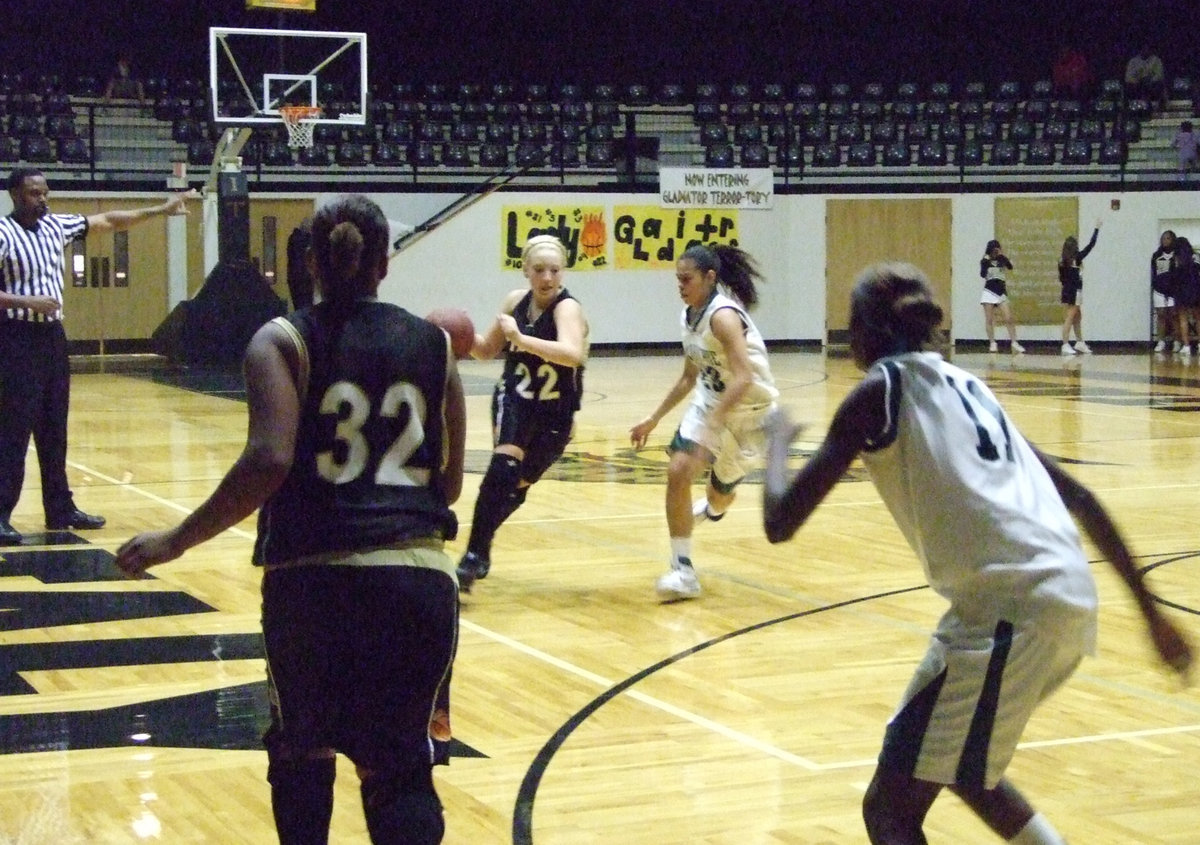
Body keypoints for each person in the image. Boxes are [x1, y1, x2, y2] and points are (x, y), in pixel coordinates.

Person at [761, 262, 1194, 845]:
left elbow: (780, 521)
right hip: (1063, 594)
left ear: (866, 329)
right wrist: (1151, 615)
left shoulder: (879, 392)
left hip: (1009, 606)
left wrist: (777, 444)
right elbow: (1082, 498)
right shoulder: (974, 389)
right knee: (963, 765)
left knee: (889, 810)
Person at [116, 194, 466, 844]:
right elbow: (446, 485)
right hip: (419, 582)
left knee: (303, 754)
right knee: (400, 770)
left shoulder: (281, 340)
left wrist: (175, 538)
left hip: (314, 584)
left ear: (310, 260)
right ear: (385, 264)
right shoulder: (435, 345)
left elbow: (269, 458)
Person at [0, 167, 191, 546]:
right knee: (13, 431)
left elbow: (107, 220)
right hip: (15, 338)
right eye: (33, 194)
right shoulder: (3, 234)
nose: (42, 199)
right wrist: (27, 301)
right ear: (15, 196)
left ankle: (60, 508)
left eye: (45, 192)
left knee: (55, 428)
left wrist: (160, 210)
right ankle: (2, 514)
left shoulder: (56, 226)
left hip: (52, 338)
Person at [629, 243, 779, 601]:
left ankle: (711, 510)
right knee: (678, 471)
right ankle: (682, 571)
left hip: (751, 414)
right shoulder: (689, 317)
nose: (680, 286)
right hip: (712, 405)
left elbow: (743, 378)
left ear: (709, 278)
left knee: (720, 496)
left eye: (687, 279)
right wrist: (654, 418)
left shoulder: (723, 317)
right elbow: (688, 378)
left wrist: (716, 421)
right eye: (677, 280)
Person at [455, 234, 588, 592]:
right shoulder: (516, 301)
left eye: (555, 271)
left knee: (516, 486)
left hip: (556, 414)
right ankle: (473, 555)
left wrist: (523, 338)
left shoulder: (566, 308)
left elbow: (571, 353)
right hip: (515, 398)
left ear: (563, 273)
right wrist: (460, 335)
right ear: (525, 271)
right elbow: (485, 351)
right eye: (540, 270)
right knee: (503, 467)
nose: (548, 278)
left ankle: (480, 545)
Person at [1058, 220, 1100, 355]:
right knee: (1070, 317)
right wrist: (1096, 229)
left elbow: (1061, 278)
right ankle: (1065, 344)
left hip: (1067, 290)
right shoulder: (1077, 258)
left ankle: (1080, 342)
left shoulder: (1062, 261)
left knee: (1077, 316)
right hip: (1075, 291)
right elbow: (1091, 245)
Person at [980, 240, 1024, 354]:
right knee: (989, 319)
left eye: (997, 249)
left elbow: (1010, 266)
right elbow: (982, 274)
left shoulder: (1001, 259)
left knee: (1008, 317)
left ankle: (1014, 342)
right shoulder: (985, 261)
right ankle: (992, 343)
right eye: (994, 250)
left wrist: (1001, 255)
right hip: (989, 291)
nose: (995, 251)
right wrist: (986, 260)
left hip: (1001, 292)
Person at [1171, 236, 1200, 358]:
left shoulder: (1176, 258)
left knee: (1183, 318)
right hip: (1195, 289)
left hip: (1181, 290)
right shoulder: (1196, 256)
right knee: (1198, 317)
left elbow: (1173, 276)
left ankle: (1186, 346)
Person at [1151, 230, 1178, 353]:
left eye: (1167, 238)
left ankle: (1176, 341)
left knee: (1174, 316)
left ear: (1173, 240)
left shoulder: (1177, 255)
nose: (1165, 240)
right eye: (1163, 238)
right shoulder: (1156, 255)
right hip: (1159, 290)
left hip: (1173, 291)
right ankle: (1161, 341)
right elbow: (1154, 273)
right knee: (1161, 315)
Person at [285, 216, 315, 310]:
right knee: (306, 306)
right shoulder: (306, 241)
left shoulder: (293, 239)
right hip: (304, 280)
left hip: (294, 278)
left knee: (298, 306)